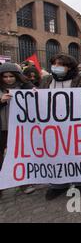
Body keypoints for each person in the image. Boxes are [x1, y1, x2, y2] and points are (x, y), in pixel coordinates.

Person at [40, 54, 81, 200]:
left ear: (69, 67)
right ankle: (58, 184)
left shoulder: (80, 80)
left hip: (75, 125)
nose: (56, 67)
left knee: (77, 153)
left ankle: (80, 182)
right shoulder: (46, 80)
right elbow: (38, 99)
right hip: (52, 126)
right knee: (55, 153)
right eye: (54, 64)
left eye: (61, 64)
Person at [0, 63, 35, 196]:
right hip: (2, 128)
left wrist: (34, 93)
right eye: (5, 76)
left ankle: (24, 183)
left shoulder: (25, 87)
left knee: (21, 156)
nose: (8, 79)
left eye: (11, 76)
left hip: (19, 128)